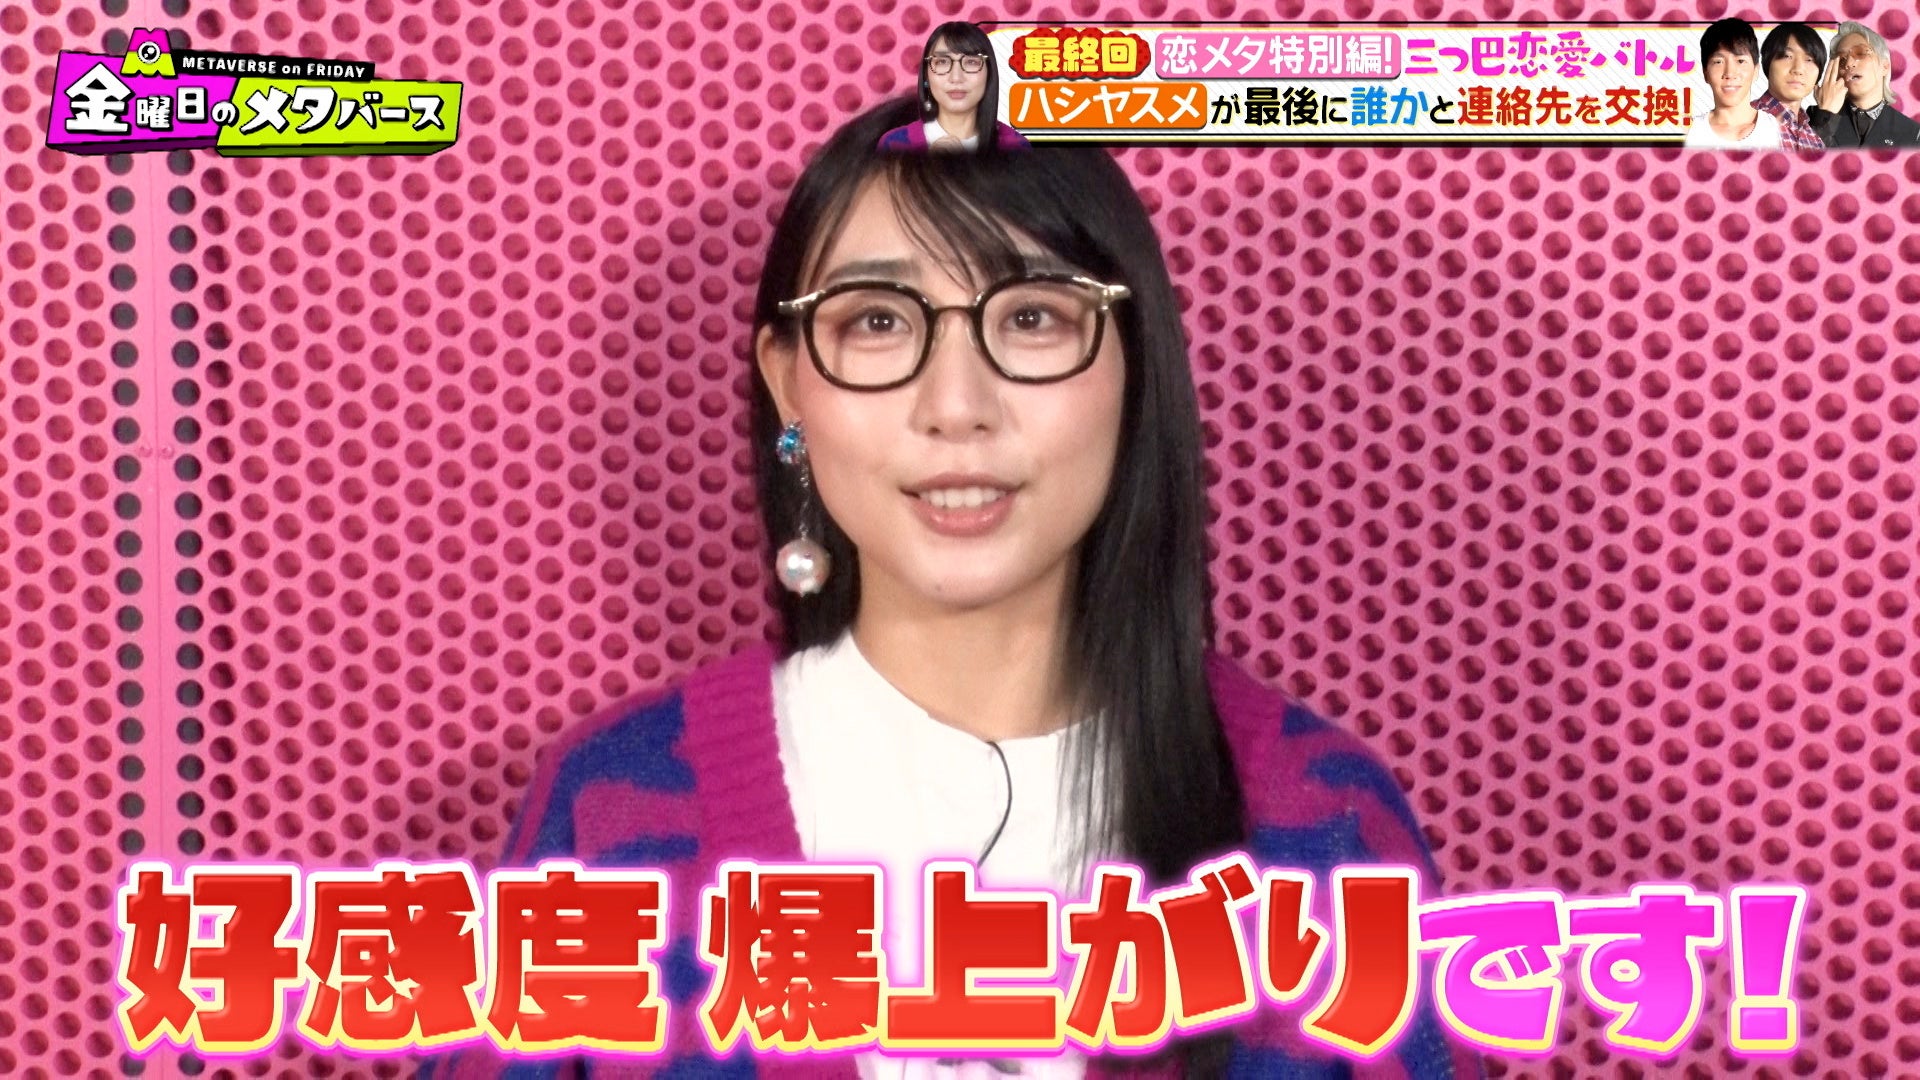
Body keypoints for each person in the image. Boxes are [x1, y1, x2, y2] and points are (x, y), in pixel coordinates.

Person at [423, 96, 1480, 1078]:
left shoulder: (1325, 828)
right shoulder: (612, 816)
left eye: (1032, 317)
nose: (957, 405)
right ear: (789, 383)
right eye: (879, 321)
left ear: (1133, 366)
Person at [877, 22, 1030, 153]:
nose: (956, 78)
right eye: (942, 62)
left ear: (989, 74)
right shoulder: (895, 145)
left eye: (971, 62)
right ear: (926, 76)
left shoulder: (1015, 146)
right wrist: (931, 164)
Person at [1805, 21, 1920, 148]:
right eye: (1841, 59)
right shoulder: (1812, 116)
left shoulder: (1911, 132)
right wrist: (1825, 115)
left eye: (1860, 53)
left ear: (1885, 66)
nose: (1848, 63)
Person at [1684, 18, 1784, 150]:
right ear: (1705, 73)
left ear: (1756, 71)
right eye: (1718, 62)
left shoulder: (1776, 129)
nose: (1730, 73)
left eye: (1740, 61)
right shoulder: (1690, 132)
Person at [1751, 22, 1827, 150]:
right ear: (1768, 62)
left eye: (1809, 60)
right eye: (1787, 56)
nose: (1798, 69)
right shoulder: (1746, 121)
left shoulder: (1815, 138)